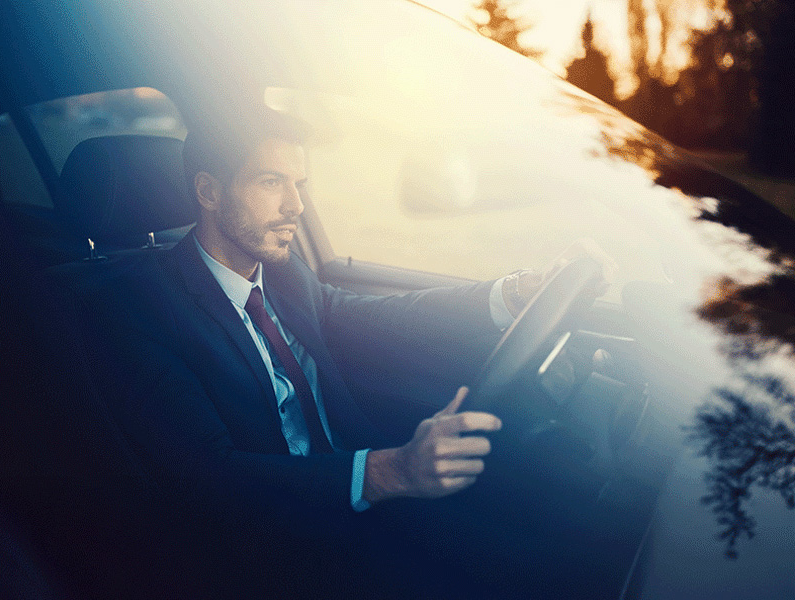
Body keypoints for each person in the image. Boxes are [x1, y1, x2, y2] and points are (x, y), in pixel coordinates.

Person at [67, 113, 615, 596]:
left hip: (361, 507)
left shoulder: (281, 270)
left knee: (563, 548)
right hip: (272, 553)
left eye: (299, 184)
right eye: (271, 182)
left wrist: (512, 294)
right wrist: (390, 471)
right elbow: (209, 479)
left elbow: (367, 317)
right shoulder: (140, 309)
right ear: (208, 192)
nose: (296, 207)